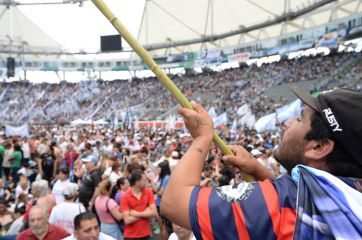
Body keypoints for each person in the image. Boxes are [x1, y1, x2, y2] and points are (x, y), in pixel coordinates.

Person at [161, 87, 362, 239]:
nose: (287, 123)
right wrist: (259, 170)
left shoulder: (282, 204)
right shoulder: (352, 192)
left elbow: (174, 203)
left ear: (319, 147)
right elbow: (304, 199)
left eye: (300, 120)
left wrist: (202, 138)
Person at [121, 170, 157, 240]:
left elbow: (154, 212)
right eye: (144, 180)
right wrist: (146, 212)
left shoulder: (148, 192)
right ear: (137, 182)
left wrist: (137, 214)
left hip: (146, 234)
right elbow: (127, 220)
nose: (146, 182)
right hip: (130, 236)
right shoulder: (125, 197)